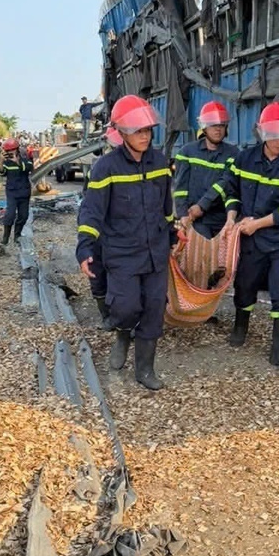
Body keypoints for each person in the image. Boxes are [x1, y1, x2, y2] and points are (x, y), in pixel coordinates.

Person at [76, 95, 175, 391]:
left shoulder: (159, 162)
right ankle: (122, 333)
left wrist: (172, 232)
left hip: (156, 252)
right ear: (121, 133)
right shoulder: (105, 168)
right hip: (121, 253)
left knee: (154, 308)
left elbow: (166, 204)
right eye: (138, 131)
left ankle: (145, 369)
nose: (144, 136)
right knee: (127, 306)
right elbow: (92, 211)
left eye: (147, 130)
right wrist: (85, 247)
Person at [219, 102, 279, 372]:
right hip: (251, 238)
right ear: (261, 132)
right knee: (245, 284)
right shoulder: (244, 159)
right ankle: (240, 328)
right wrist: (231, 217)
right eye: (274, 134)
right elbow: (231, 190)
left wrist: (256, 224)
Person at [174, 101, 239, 239]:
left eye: (221, 125)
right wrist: (183, 215)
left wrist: (202, 206)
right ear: (204, 127)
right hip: (197, 221)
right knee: (198, 259)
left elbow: (225, 183)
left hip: (221, 220)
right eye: (213, 125)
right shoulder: (186, 152)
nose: (218, 129)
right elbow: (180, 188)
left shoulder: (234, 154)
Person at [83, 125, 123, 322]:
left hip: (121, 230)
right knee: (97, 270)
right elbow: (90, 205)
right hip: (101, 226)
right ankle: (106, 315)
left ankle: (122, 314)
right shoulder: (100, 168)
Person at [0, 138, 34, 247]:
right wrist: (1, 161)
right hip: (12, 192)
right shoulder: (6, 162)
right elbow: (2, 173)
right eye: (8, 151)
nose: (10, 153)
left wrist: (17, 161)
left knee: (24, 216)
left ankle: (17, 235)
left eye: (12, 150)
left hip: (24, 192)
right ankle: (5, 238)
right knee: (10, 215)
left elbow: (29, 168)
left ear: (17, 149)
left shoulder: (25, 158)